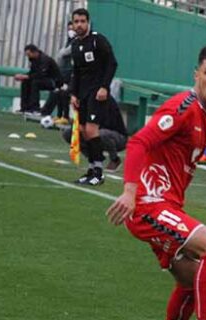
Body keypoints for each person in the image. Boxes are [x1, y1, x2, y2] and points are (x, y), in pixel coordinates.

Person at [105, 45, 206, 320]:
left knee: (194, 281)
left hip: (165, 206)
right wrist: (130, 192)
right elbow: (138, 142)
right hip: (149, 206)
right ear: (196, 75)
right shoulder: (183, 108)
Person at [70, 8, 118, 186]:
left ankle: (99, 172)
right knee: (83, 131)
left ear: (88, 22)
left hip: (96, 93)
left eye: (83, 21)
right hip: (82, 94)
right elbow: (75, 72)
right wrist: (73, 94)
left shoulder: (98, 40)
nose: (79, 25)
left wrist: (104, 87)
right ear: (73, 24)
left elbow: (112, 63)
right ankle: (91, 169)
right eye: (76, 22)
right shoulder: (75, 45)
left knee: (91, 130)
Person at [61, 95, 127, 172]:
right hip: (95, 132)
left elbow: (106, 123)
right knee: (69, 133)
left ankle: (115, 159)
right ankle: (92, 158)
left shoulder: (105, 101)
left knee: (101, 134)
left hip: (117, 136)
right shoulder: (85, 100)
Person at [41, 21, 76, 126]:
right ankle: (60, 115)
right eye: (69, 29)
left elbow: (63, 54)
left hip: (73, 74)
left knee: (64, 93)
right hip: (65, 73)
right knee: (58, 91)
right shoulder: (69, 41)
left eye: (72, 29)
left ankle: (65, 116)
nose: (71, 31)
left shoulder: (77, 41)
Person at [14, 44, 61, 115]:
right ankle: (25, 108)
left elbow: (40, 75)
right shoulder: (33, 60)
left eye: (29, 54)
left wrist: (25, 76)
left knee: (35, 83)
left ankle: (35, 109)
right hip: (43, 80)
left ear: (35, 52)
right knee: (25, 82)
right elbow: (32, 72)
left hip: (53, 81)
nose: (28, 56)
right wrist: (23, 76)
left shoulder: (45, 59)